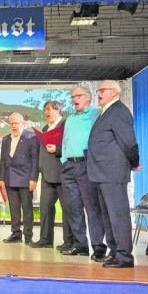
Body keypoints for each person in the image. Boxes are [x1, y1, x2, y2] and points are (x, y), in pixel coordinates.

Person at [88, 80, 140, 268]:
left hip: (112, 172)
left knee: (118, 215)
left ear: (115, 93)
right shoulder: (107, 112)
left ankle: (125, 256)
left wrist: (134, 162)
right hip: (102, 173)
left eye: (103, 90)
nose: (99, 93)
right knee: (108, 216)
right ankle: (115, 251)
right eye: (99, 90)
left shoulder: (119, 111)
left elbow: (129, 142)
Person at [59, 85, 108, 260]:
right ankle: (80, 245)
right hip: (68, 167)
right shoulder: (70, 119)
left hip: (86, 165)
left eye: (78, 96)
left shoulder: (96, 114)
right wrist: (63, 160)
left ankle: (98, 247)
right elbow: (65, 142)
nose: (74, 99)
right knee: (73, 208)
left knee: (92, 207)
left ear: (88, 97)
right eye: (73, 97)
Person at [30, 101, 73, 249]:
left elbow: (72, 146)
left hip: (63, 174)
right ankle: (45, 239)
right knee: (45, 208)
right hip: (47, 175)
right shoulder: (45, 128)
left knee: (67, 210)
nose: (46, 113)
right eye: (44, 110)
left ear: (58, 110)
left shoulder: (66, 125)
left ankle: (69, 242)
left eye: (48, 109)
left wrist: (57, 149)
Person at [0, 112, 39, 244]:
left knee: (27, 209)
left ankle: (28, 236)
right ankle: (16, 234)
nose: (14, 126)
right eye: (11, 123)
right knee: (14, 208)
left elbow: (35, 160)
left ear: (23, 123)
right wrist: (1, 178)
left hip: (25, 180)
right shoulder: (6, 139)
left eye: (16, 123)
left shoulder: (31, 137)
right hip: (10, 179)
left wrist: (34, 179)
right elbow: (3, 161)